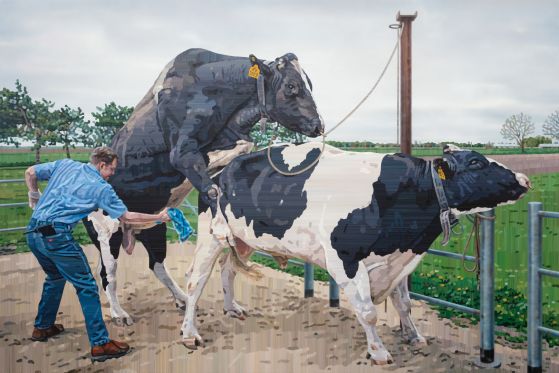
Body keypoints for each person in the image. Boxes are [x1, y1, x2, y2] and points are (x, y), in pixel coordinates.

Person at [24, 146, 170, 362]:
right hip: (57, 236)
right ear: (102, 165)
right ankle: (100, 344)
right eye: (111, 169)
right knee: (87, 287)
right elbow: (127, 217)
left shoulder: (66, 164)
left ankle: (42, 327)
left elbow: (30, 172)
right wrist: (158, 217)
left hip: (33, 231)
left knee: (55, 277)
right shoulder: (101, 188)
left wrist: (34, 195)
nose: (112, 174)